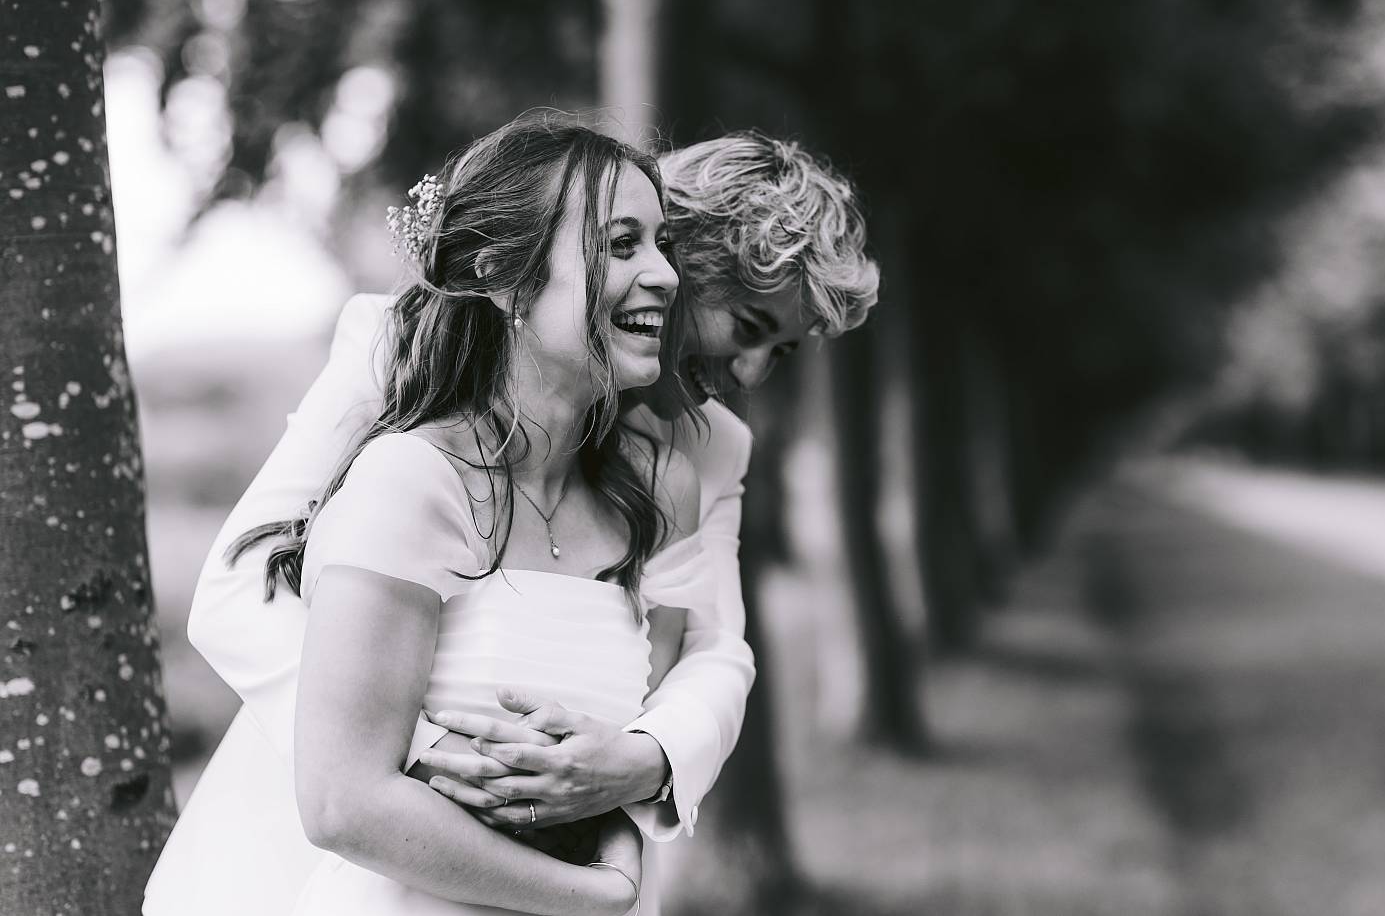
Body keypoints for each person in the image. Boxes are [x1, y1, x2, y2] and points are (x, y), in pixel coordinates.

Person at [144, 124, 879, 914]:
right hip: (331, 850)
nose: (750, 375)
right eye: (747, 326)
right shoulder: (404, 351)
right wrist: (450, 763)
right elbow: (238, 588)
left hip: (580, 859)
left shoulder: (708, 451)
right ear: (684, 264)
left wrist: (640, 762)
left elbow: (714, 647)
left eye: (783, 352)